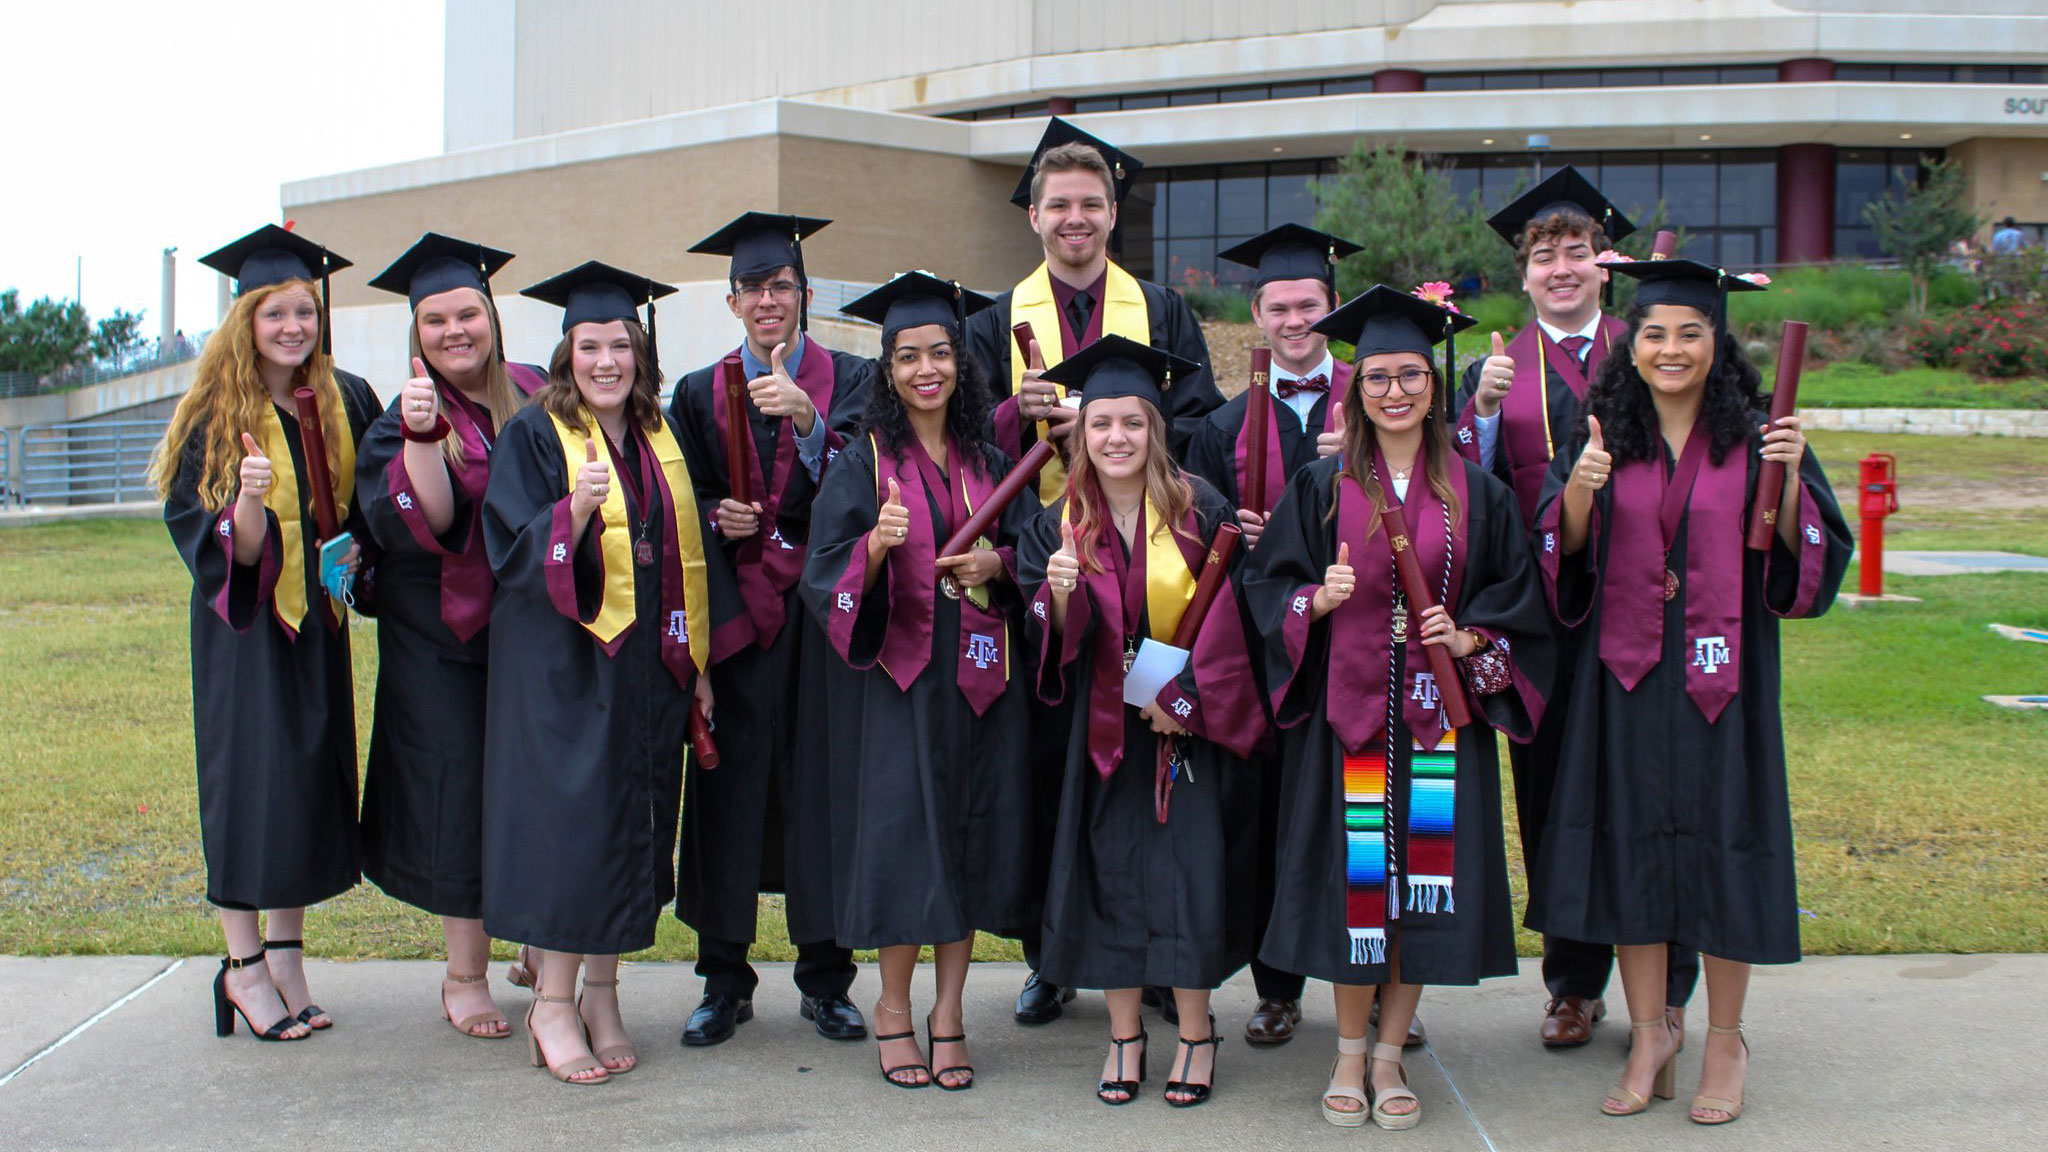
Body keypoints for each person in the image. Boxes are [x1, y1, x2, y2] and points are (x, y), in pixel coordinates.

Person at [1529, 255, 1850, 1123]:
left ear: (1719, 343)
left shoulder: (1760, 436)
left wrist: (1788, 486)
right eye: (1655, 334)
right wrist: (1580, 499)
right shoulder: (1603, 436)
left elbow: (1810, 566)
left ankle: (1725, 1039)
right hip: (1625, 679)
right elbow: (1560, 562)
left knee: (1724, 849)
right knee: (1630, 848)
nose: (1671, 349)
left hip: (1723, 685)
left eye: (1691, 334)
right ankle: (1649, 1032)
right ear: (1631, 345)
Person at [1242, 285, 1553, 1130]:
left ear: (1433, 384)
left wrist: (1472, 640)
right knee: (1357, 888)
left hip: (1436, 723)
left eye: (1410, 375)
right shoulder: (1320, 486)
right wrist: (1315, 599)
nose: (1394, 392)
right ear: (1357, 388)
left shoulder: (1478, 494)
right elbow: (1264, 587)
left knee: (1418, 886)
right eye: (1377, 377)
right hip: (1348, 727)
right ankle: (1347, 1052)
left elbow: (1517, 599)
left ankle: (1389, 1053)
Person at [961, 117, 1224, 1026]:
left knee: (1153, 778)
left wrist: (1117, 431)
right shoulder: (992, 323)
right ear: (1033, 215)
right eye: (1058, 204)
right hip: (1042, 577)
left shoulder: (1161, 311)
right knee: (1048, 774)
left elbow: (1201, 425)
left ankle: (1153, 953)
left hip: (1150, 573)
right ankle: (1053, 953)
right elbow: (958, 445)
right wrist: (1011, 415)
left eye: (1091, 204)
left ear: (1114, 213)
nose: (1075, 219)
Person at [1450, 169, 1701, 1048]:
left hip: (1647, 605)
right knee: (1555, 794)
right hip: (1541, 616)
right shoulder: (1497, 371)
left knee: (1656, 786)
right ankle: (1571, 982)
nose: (1561, 267)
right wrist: (1476, 416)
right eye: (1543, 255)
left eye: (1577, 251)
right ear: (1522, 275)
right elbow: (1462, 493)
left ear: (1606, 262)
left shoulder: (1657, 345)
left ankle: (1669, 981)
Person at [481, 261, 748, 1085]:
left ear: (640, 352)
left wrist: (695, 662)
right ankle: (551, 1005)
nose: (606, 361)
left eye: (619, 345)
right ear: (566, 355)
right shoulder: (534, 434)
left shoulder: (657, 435)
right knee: (574, 832)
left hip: (647, 670)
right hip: (566, 671)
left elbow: (684, 559)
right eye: (589, 345)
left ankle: (602, 993)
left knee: (632, 825)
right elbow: (511, 552)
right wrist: (574, 510)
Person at [799, 271, 1039, 1091]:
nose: (926, 369)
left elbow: (1033, 554)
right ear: (888, 370)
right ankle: (896, 1011)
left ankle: (950, 1016)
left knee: (965, 843)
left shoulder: (993, 458)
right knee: (909, 846)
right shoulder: (862, 461)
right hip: (899, 686)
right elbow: (820, 570)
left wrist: (996, 562)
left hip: (977, 683)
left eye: (940, 352)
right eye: (908, 357)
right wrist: (873, 546)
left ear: (961, 364)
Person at [1016, 335, 1265, 1107]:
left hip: (1183, 736)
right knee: (1110, 881)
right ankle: (1125, 1035)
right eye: (1100, 423)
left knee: (1189, 881)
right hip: (1099, 741)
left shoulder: (1203, 513)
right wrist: (1056, 593)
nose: (1116, 437)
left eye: (1132, 422)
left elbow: (1236, 622)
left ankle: (1196, 1032)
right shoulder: (1056, 524)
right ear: (1079, 433)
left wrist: (1176, 697)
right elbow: (1044, 638)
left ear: (1156, 428)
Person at [151, 223, 379, 1042]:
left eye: (306, 313)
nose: (294, 328)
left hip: (317, 621)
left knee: (307, 786)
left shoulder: (346, 397)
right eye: (276, 313)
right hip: (245, 630)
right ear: (246, 320)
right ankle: (242, 969)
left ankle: (287, 958)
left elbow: (369, 508)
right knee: (251, 789)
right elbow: (216, 545)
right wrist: (248, 496)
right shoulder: (215, 413)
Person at [668, 212, 872, 1048]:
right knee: (728, 791)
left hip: (822, 624)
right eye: (752, 288)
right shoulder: (695, 391)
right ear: (731, 301)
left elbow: (865, 484)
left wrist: (806, 423)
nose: (767, 300)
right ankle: (724, 980)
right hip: (739, 625)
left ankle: (827, 979)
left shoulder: (852, 379)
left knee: (823, 789)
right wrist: (720, 515)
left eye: (780, 286)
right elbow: (683, 509)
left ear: (805, 296)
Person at [1183, 223, 1382, 1049]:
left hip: (1363, 653)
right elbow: (1199, 543)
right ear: (1257, 316)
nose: (1294, 320)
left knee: (1369, 821)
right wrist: (1242, 533)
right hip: (1263, 654)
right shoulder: (1222, 428)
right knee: (1266, 823)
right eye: (1278, 307)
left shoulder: (1378, 404)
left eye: (1309, 306)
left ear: (1332, 311)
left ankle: (1380, 985)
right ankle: (1277, 987)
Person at [355, 233, 547, 1040]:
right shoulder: (405, 415)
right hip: (438, 633)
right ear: (416, 332)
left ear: (493, 318)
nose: (454, 331)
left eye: (467, 313)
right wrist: (426, 440)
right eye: (435, 320)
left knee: (539, 784)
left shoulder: (537, 393)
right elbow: (429, 522)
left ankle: (541, 942)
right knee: (458, 790)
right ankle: (465, 971)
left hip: (533, 625)